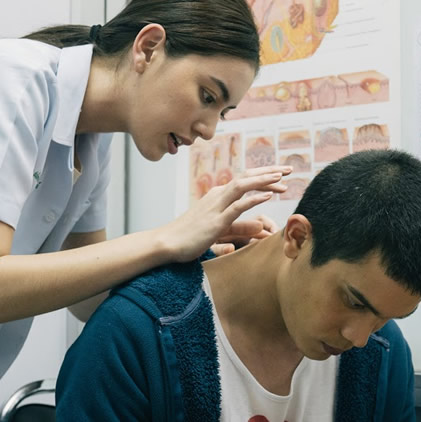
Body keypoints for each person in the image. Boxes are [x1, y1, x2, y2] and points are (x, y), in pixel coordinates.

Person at [55, 149, 421, 421]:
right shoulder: (133, 335)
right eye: (354, 302)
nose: (359, 338)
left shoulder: (383, 353)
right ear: (297, 238)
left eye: (386, 317)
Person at [0, 0, 292, 331]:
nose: (209, 131)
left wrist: (195, 257)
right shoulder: (15, 79)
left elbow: (87, 301)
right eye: (208, 97)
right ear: (148, 48)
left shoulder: (94, 141)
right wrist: (165, 240)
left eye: (222, 113)